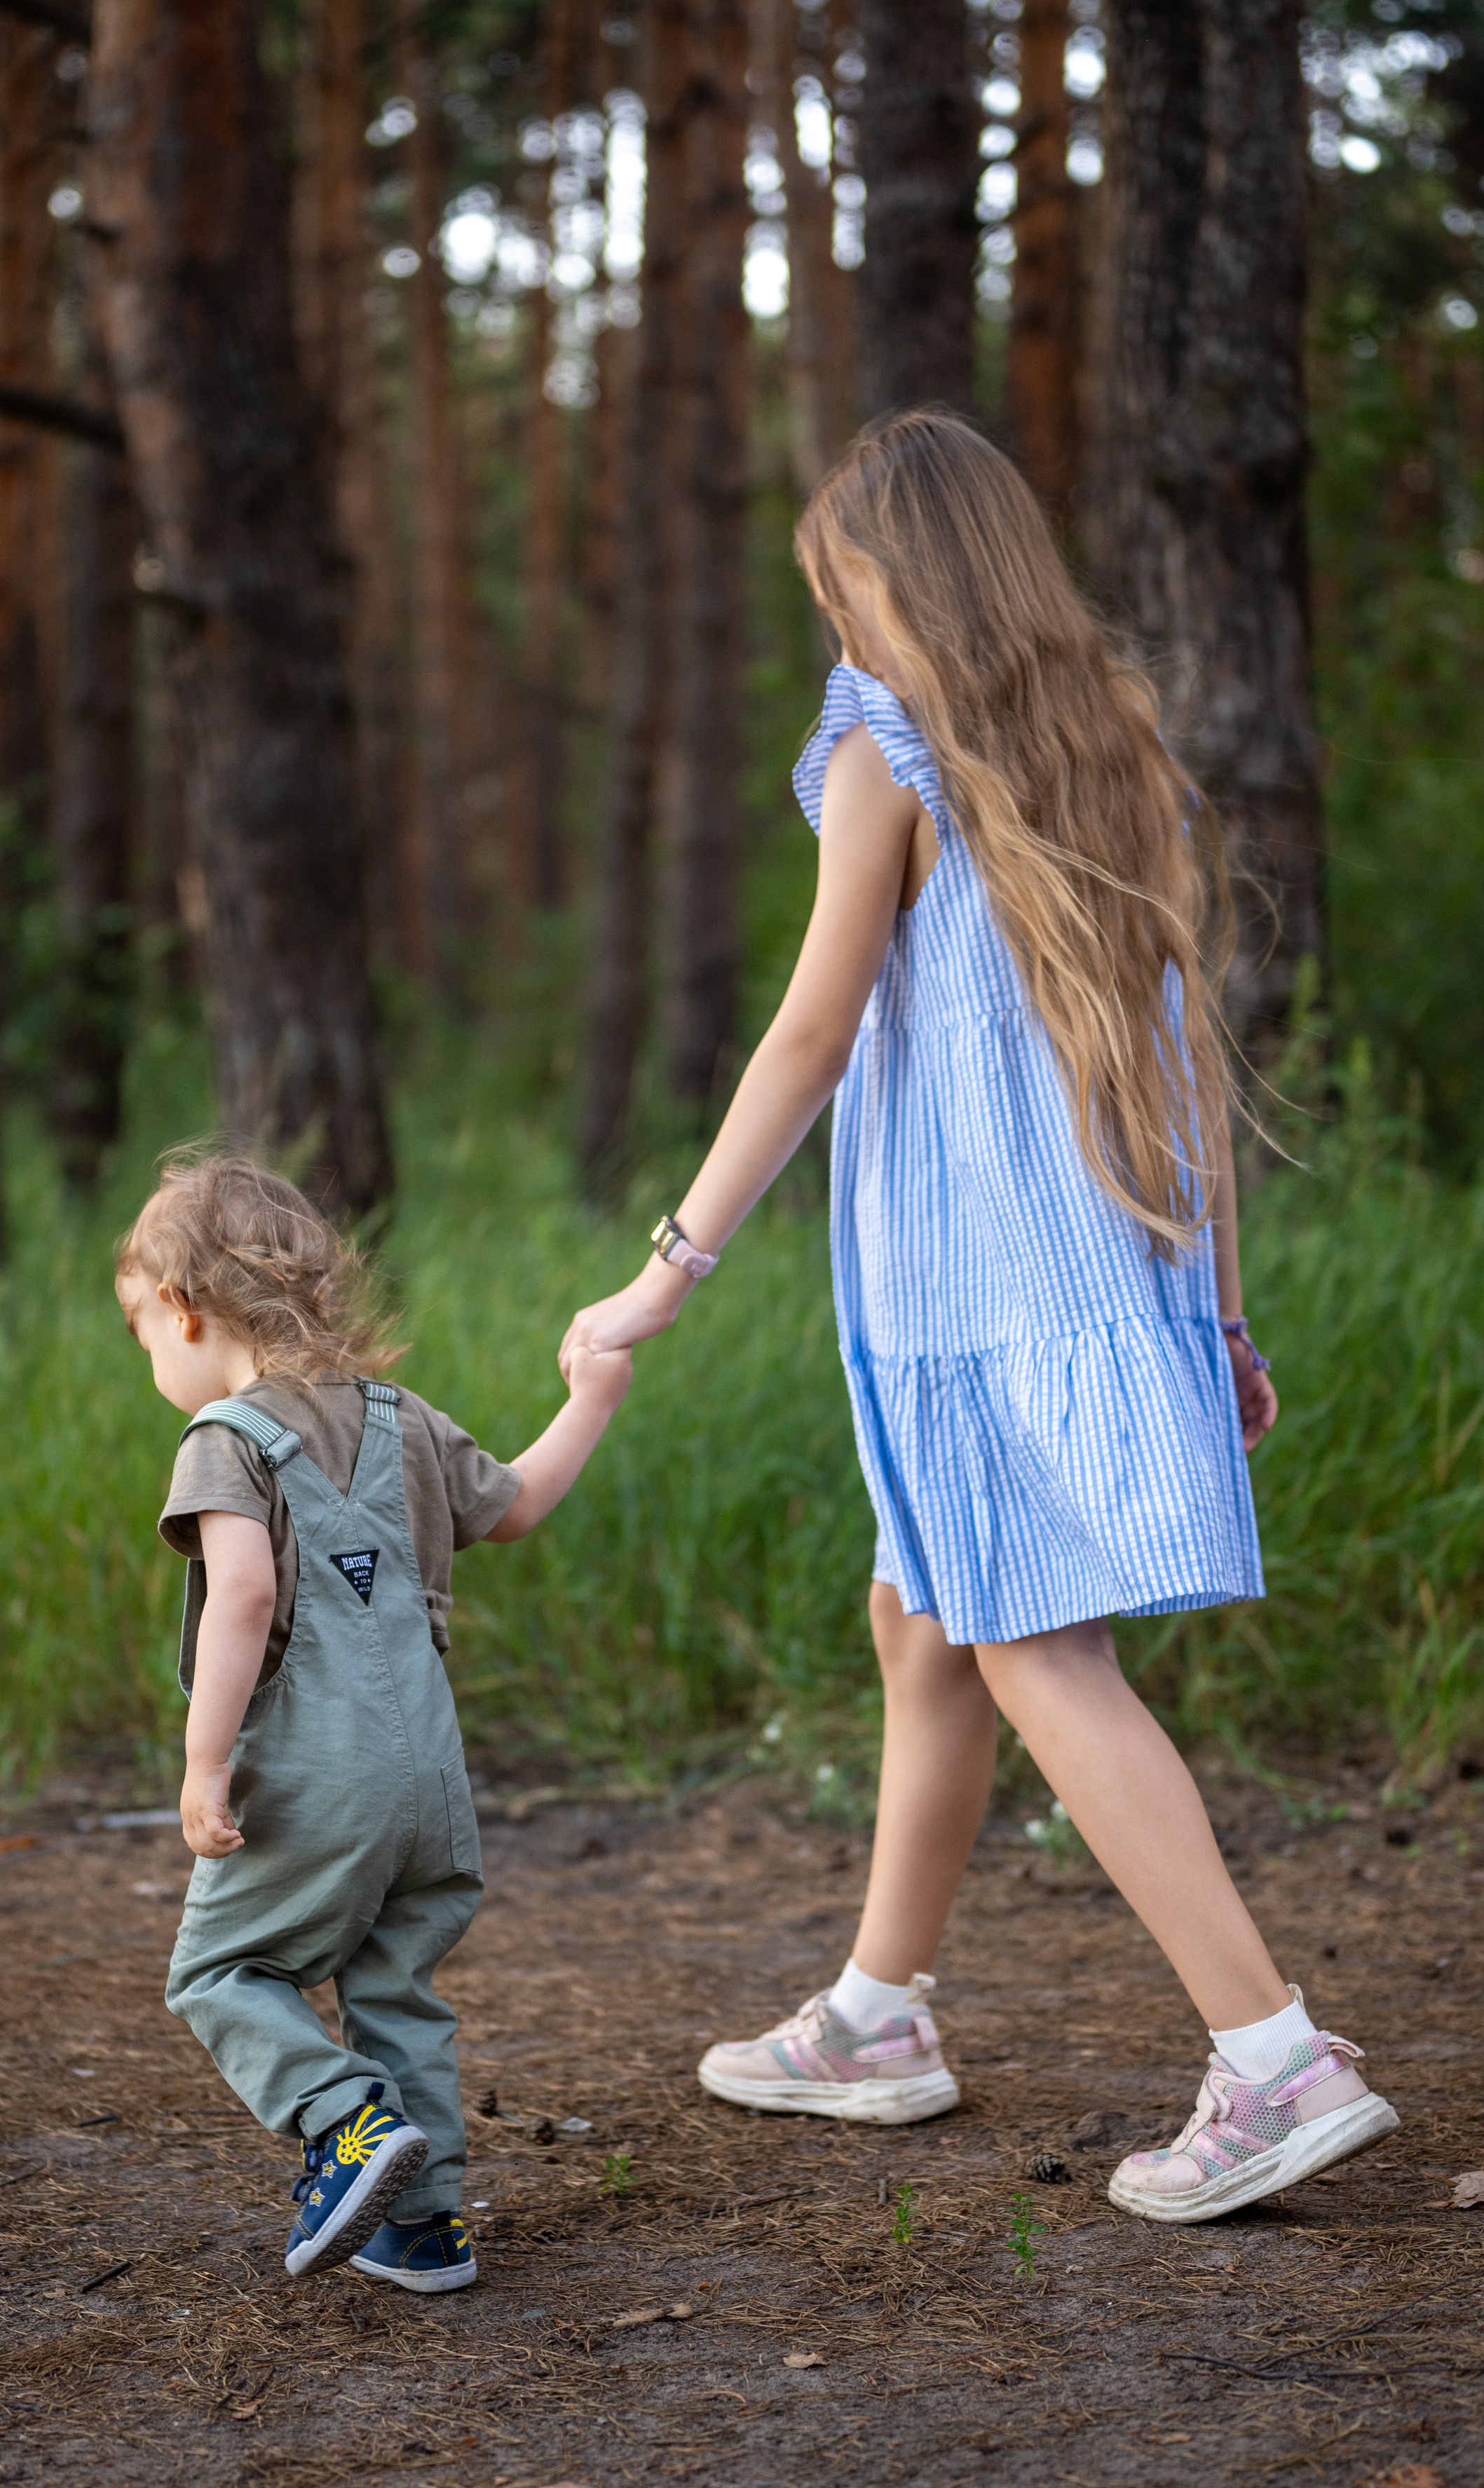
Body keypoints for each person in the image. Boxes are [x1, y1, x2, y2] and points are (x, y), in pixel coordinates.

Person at [558, 410, 1397, 2224]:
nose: (837, 630)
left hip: (983, 1306)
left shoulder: (884, 750)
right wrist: (1225, 1320)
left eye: (841, 589)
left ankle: (1274, 2060)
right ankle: (878, 2015)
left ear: (895, 582)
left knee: (1037, 1647)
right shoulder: (1116, 739)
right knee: (924, 1613)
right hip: (1122, 1275)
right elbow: (1186, 1055)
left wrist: (664, 1272)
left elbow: (806, 1032)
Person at [117, 1151, 631, 2290]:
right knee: (395, 1983)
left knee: (221, 1972)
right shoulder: (403, 1421)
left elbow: (244, 1597)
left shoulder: (225, 1442)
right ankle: (424, 2227)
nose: (150, 1355)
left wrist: (205, 1767)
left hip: (316, 1777)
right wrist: (589, 1397)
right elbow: (521, 1506)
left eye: (143, 1331)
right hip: (431, 1785)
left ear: (186, 1311)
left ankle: (343, 2121)